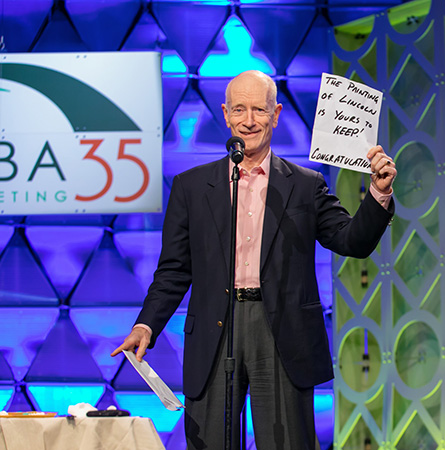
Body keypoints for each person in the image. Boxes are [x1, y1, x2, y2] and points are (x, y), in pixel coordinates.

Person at [112, 70, 396, 450]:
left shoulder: (305, 185)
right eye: (240, 110)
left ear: (276, 114)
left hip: (282, 332)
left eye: (259, 110)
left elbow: (351, 241)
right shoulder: (191, 187)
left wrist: (378, 193)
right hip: (216, 327)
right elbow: (174, 270)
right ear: (226, 114)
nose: (249, 121)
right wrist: (147, 325)